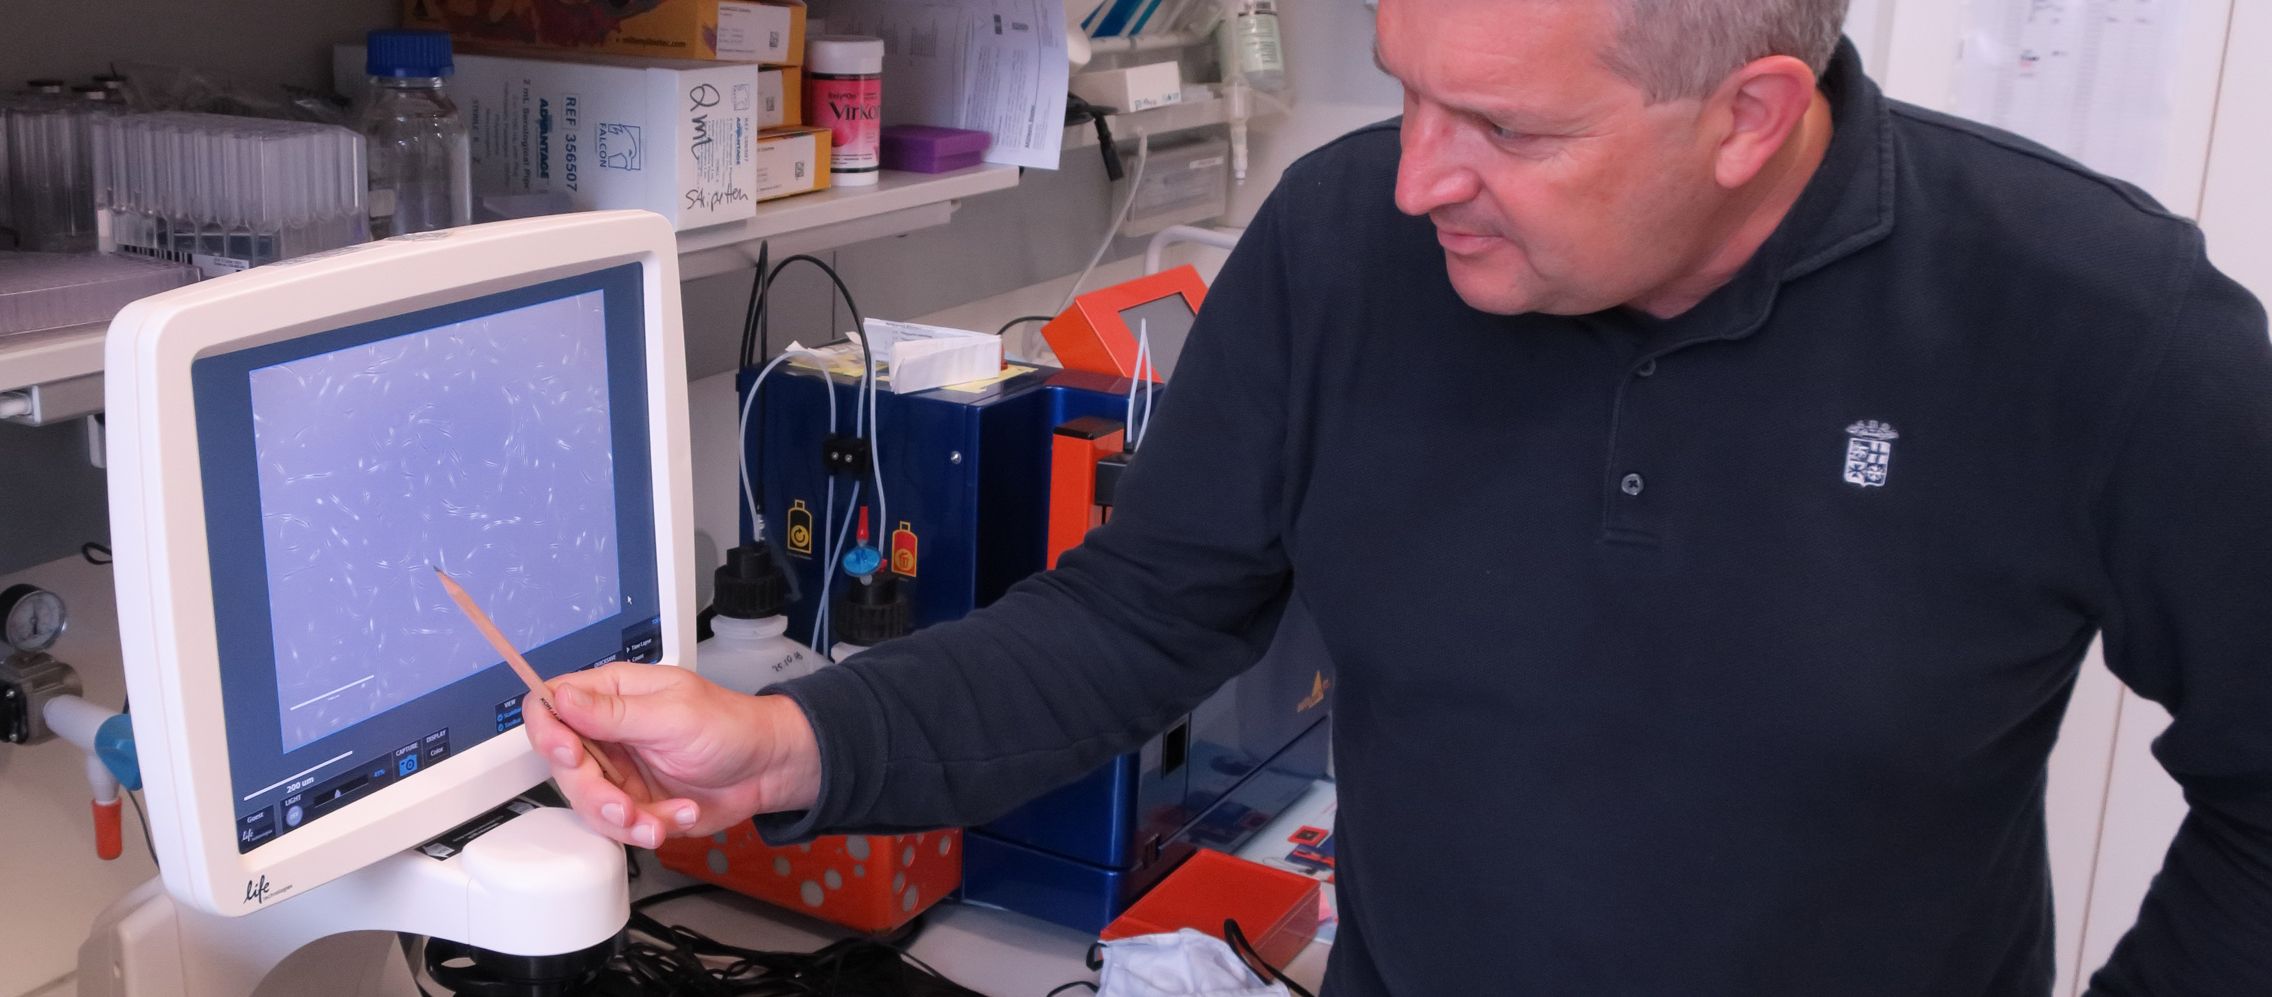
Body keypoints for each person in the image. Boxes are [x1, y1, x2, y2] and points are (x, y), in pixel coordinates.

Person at [525, 0, 2272, 992]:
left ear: (1748, 115)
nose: (1416, 172)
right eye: (1408, 82)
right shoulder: (1350, 249)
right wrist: (790, 746)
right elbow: (1136, 619)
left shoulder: (2093, 325)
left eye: (1505, 130)